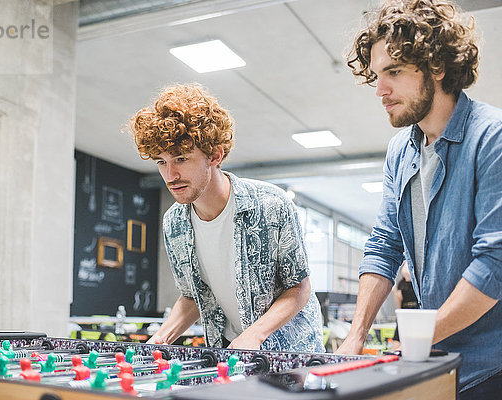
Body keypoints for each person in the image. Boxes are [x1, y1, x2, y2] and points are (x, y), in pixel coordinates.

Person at [336, 0, 502, 397]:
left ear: (437, 67)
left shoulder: (491, 137)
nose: (379, 89)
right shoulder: (401, 150)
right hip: (438, 362)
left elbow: (494, 264)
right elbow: (384, 245)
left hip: (490, 367)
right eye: (377, 75)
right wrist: (355, 337)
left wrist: (416, 340)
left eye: (393, 71)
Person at [126, 83, 324, 352]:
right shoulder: (174, 223)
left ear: (215, 155)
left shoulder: (271, 204)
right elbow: (193, 297)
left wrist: (255, 335)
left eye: (181, 158)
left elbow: (298, 289)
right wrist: (159, 341)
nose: (170, 175)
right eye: (161, 162)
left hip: (291, 352)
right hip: (231, 351)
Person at [391, 261, 418, 342]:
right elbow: (399, 300)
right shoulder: (401, 284)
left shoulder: (416, 283)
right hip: (404, 312)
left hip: (415, 312)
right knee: (398, 337)